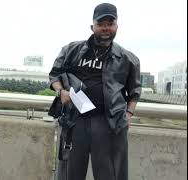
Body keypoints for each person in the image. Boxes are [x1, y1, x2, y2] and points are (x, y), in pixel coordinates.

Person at [48, 3, 141, 180]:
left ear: (116, 27)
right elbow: (54, 75)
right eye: (101, 23)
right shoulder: (71, 50)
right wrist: (61, 92)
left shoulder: (128, 59)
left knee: (110, 173)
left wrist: (128, 115)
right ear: (93, 27)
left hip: (109, 123)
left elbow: (134, 91)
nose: (105, 28)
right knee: (70, 173)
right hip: (76, 120)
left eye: (110, 23)